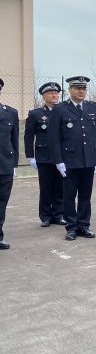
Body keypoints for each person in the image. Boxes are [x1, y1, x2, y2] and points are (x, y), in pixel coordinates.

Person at [49, 76, 96, 241]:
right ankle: (71, 227)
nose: (81, 91)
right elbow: (54, 138)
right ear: (70, 90)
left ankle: (83, 226)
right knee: (69, 195)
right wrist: (58, 161)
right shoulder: (60, 109)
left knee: (86, 195)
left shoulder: (93, 107)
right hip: (69, 160)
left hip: (88, 160)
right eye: (77, 88)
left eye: (84, 88)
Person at [24, 81, 66, 227]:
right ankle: (45, 216)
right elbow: (28, 136)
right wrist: (30, 156)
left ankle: (58, 214)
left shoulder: (63, 111)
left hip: (61, 156)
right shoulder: (36, 114)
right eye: (50, 93)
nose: (54, 95)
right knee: (46, 187)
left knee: (60, 187)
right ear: (43, 97)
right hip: (44, 156)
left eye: (56, 93)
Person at [0, 77, 19, 250]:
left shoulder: (10, 113)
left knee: (1, 202)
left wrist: (14, 165)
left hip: (4, 165)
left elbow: (14, 141)